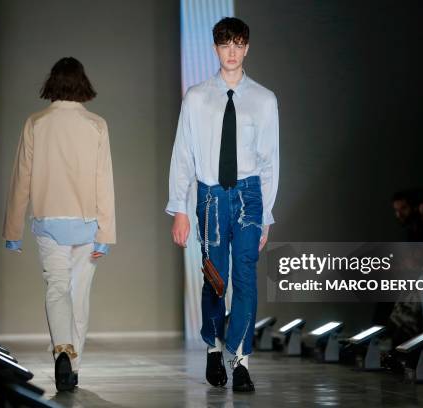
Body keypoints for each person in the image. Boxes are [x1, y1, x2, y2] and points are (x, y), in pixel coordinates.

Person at [166, 17, 279, 392]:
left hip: (249, 195)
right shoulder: (197, 97)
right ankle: (215, 348)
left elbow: (270, 161)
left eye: (238, 44)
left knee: (246, 278)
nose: (231, 52)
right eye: (224, 45)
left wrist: (267, 217)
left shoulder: (264, 99)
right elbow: (183, 153)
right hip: (211, 195)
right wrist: (179, 208)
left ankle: (241, 361)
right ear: (215, 49)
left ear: (246, 48)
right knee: (215, 280)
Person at [2, 57, 116, 391]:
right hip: (87, 223)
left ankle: (62, 351)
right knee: (79, 295)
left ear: (52, 82)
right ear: (83, 82)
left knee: (57, 289)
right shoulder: (96, 124)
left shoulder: (36, 122)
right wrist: (106, 234)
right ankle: (73, 365)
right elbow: (103, 181)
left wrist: (13, 231)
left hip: (49, 221)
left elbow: (21, 180)